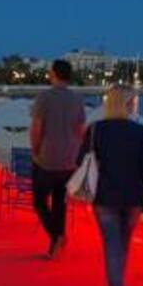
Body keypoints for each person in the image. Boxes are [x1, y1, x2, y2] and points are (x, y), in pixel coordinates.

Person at [77, 84, 143, 286]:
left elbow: (79, 161)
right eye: (133, 101)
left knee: (111, 247)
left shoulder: (96, 130)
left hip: (105, 197)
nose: (135, 105)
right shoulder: (138, 131)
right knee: (122, 247)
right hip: (133, 198)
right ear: (127, 104)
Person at [29, 59, 87, 259]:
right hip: (68, 162)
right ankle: (55, 245)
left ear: (53, 73)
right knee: (59, 204)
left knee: (38, 201)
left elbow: (37, 128)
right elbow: (81, 131)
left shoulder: (44, 97)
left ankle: (57, 235)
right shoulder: (77, 99)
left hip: (46, 160)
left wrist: (35, 150)